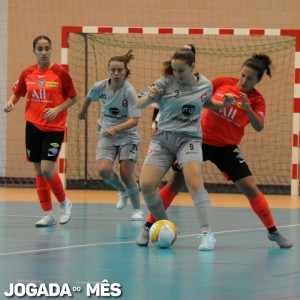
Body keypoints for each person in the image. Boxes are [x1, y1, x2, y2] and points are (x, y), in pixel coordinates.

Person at [136, 53, 293, 249]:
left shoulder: (256, 100)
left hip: (226, 148)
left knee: (250, 187)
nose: (244, 81)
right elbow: (202, 99)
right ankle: (149, 225)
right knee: (175, 183)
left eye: (250, 79)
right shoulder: (221, 82)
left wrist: (247, 108)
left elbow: (259, 126)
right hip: (198, 139)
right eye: (242, 75)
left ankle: (273, 231)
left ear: (258, 80)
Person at [136, 45, 232, 250]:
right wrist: (149, 97)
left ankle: (207, 234)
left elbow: (206, 103)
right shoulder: (165, 83)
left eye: (181, 70)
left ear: (192, 67)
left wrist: (223, 104)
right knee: (146, 185)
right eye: (174, 69)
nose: (176, 74)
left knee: (195, 182)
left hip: (189, 140)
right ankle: (164, 225)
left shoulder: (205, 85)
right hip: (163, 140)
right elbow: (138, 104)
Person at [3, 35, 77, 227]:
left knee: (46, 169)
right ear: (34, 51)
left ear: (51, 50)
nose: (44, 52)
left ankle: (64, 202)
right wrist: (11, 102)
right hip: (33, 126)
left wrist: (57, 109)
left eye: (47, 49)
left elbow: (73, 97)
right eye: (40, 49)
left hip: (54, 128)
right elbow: (18, 92)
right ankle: (47, 213)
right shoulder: (28, 72)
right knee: (38, 170)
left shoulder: (60, 73)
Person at [77, 50, 143, 221]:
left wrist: (116, 129)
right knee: (103, 170)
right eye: (113, 69)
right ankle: (122, 190)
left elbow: (134, 120)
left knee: (126, 174)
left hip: (127, 135)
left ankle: (137, 209)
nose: (116, 73)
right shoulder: (100, 86)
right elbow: (89, 97)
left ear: (125, 71)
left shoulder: (129, 91)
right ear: (108, 70)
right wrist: (82, 112)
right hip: (107, 133)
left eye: (120, 70)